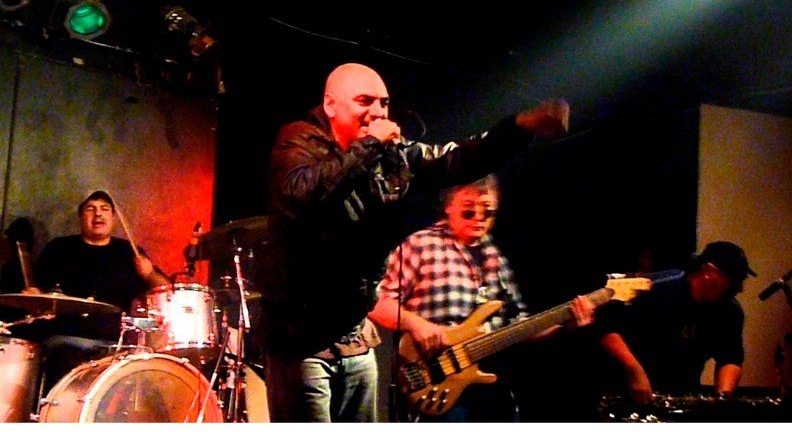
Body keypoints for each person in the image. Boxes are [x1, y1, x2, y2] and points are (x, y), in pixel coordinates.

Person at [261, 62, 571, 422]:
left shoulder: (390, 154)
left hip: (356, 338)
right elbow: (301, 194)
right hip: (301, 342)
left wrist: (519, 128)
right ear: (330, 104)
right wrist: (370, 144)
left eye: (384, 103)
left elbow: (456, 160)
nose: (378, 112)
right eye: (365, 101)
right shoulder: (299, 141)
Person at [368, 175, 594, 422]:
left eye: (488, 212)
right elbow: (375, 302)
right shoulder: (420, 244)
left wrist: (565, 323)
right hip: (435, 383)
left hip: (490, 386)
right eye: (468, 211)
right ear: (448, 206)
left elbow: (517, 326)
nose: (479, 218)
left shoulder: (494, 255)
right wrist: (418, 325)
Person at [29, 190, 170, 391]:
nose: (98, 214)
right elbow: (35, 292)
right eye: (90, 209)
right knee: (66, 369)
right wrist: (34, 296)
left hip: (113, 345)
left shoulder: (128, 251)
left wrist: (149, 273)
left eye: (105, 209)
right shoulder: (59, 248)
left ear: (113, 217)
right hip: (66, 341)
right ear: (81, 216)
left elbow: (165, 291)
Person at [598, 240, 756, 404]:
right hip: (626, 389)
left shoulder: (730, 310)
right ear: (708, 271)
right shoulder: (654, 288)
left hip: (682, 394)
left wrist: (722, 398)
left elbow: (730, 359)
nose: (739, 288)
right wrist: (634, 370)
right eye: (734, 279)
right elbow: (607, 327)